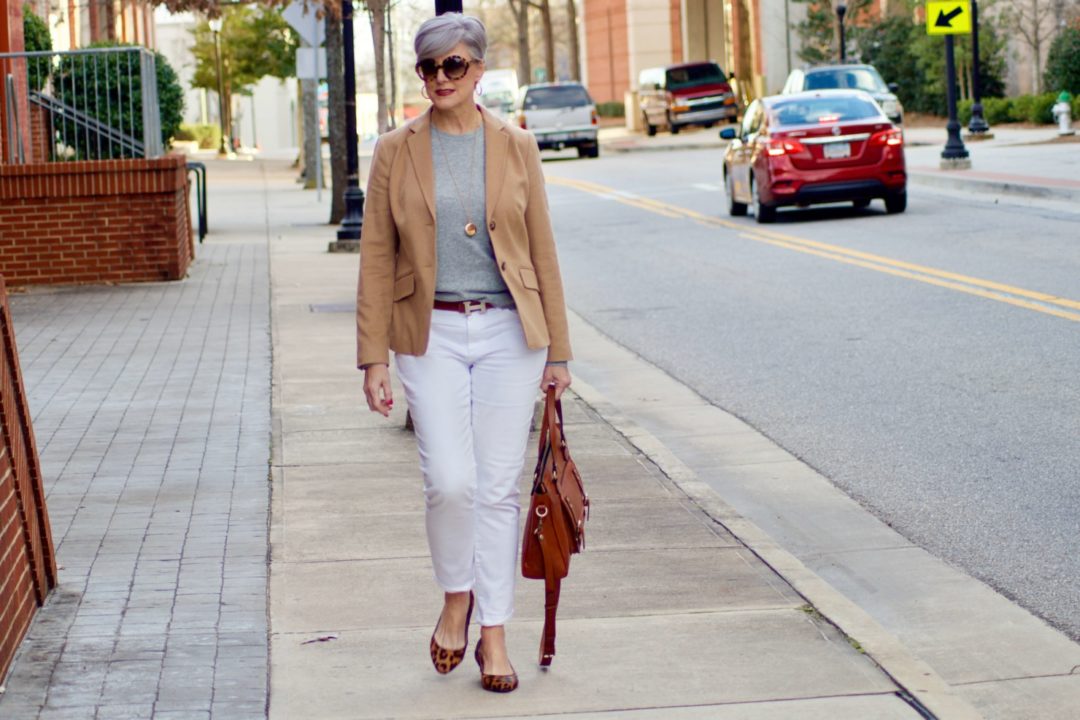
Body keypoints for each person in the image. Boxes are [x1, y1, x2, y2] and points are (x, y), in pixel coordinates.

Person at [355, 12, 572, 694]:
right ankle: (457, 594)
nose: (440, 78)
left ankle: (494, 632)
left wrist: (558, 354)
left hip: (510, 331)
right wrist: (373, 357)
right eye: (429, 68)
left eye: (453, 66)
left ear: (478, 71)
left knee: (500, 486)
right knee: (451, 479)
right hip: (431, 330)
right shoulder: (396, 149)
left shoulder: (516, 145)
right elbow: (375, 256)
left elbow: (542, 250)